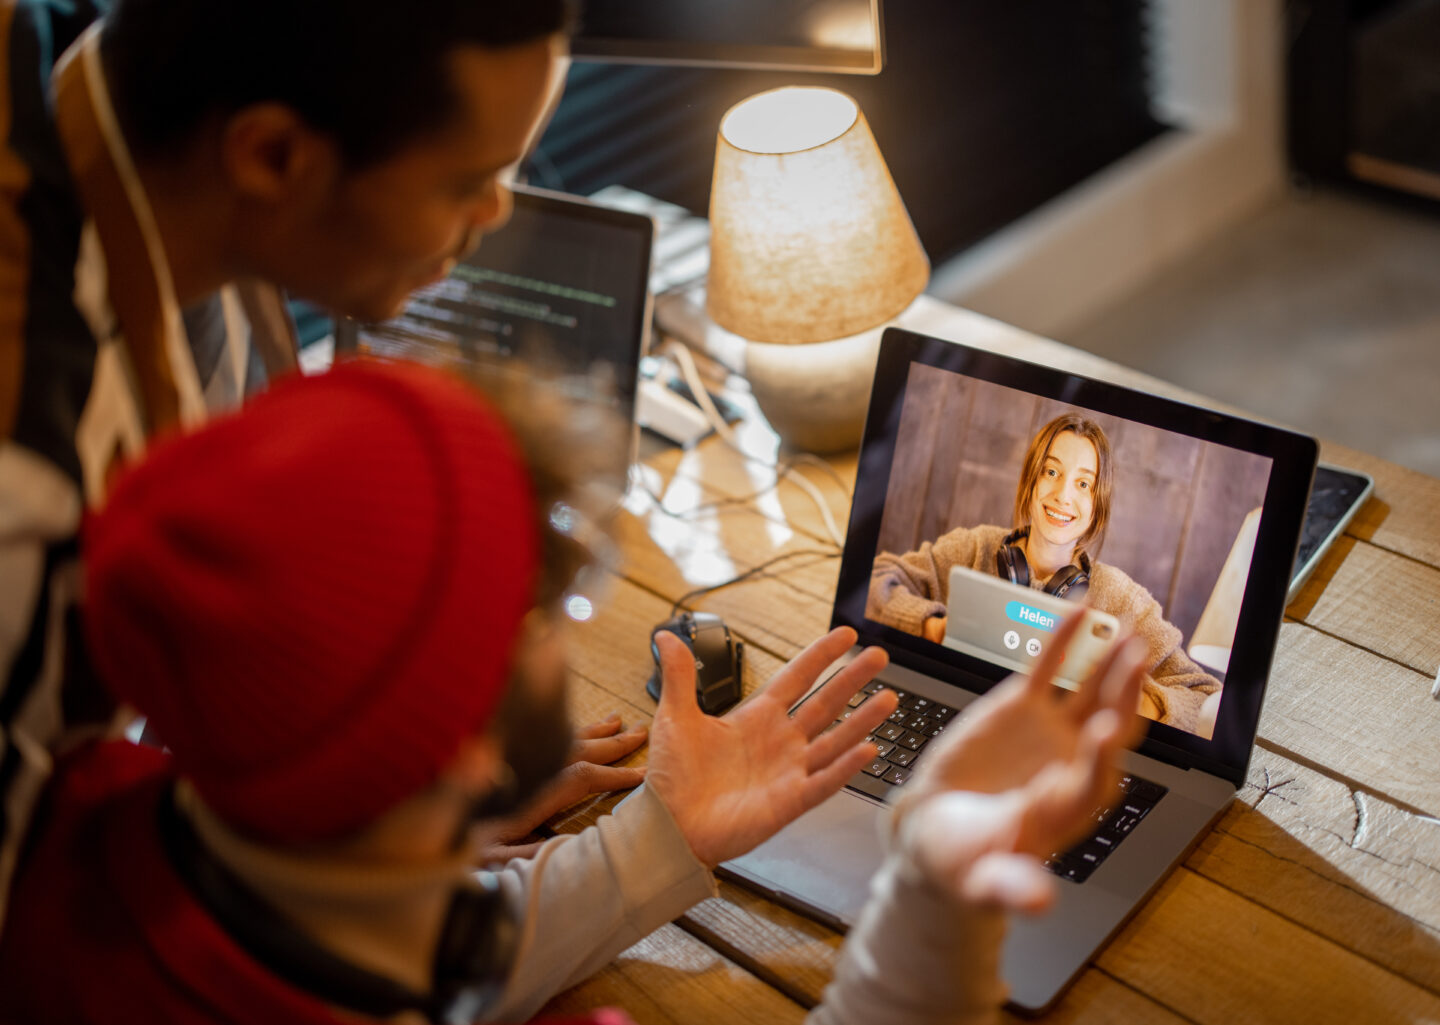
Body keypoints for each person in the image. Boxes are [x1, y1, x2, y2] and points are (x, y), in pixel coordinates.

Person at [0, 359, 1148, 1023]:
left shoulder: (69, 831)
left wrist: (661, 830)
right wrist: (936, 899)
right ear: (464, 750)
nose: (568, 622)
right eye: (542, 607)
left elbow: (408, 924)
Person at [0, 0, 622, 924]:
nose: (495, 212)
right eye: (468, 180)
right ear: (271, 156)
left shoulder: (130, 106)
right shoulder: (30, 480)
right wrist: (359, 863)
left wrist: (385, 800)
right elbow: (44, 926)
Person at [867, 413, 1219, 732]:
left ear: (1097, 505)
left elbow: (1204, 698)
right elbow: (875, 580)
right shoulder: (974, 548)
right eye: (1052, 472)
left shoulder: (1122, 599)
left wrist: (1136, 701)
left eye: (1084, 484)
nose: (1063, 495)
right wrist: (933, 627)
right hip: (957, 727)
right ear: (1031, 481)